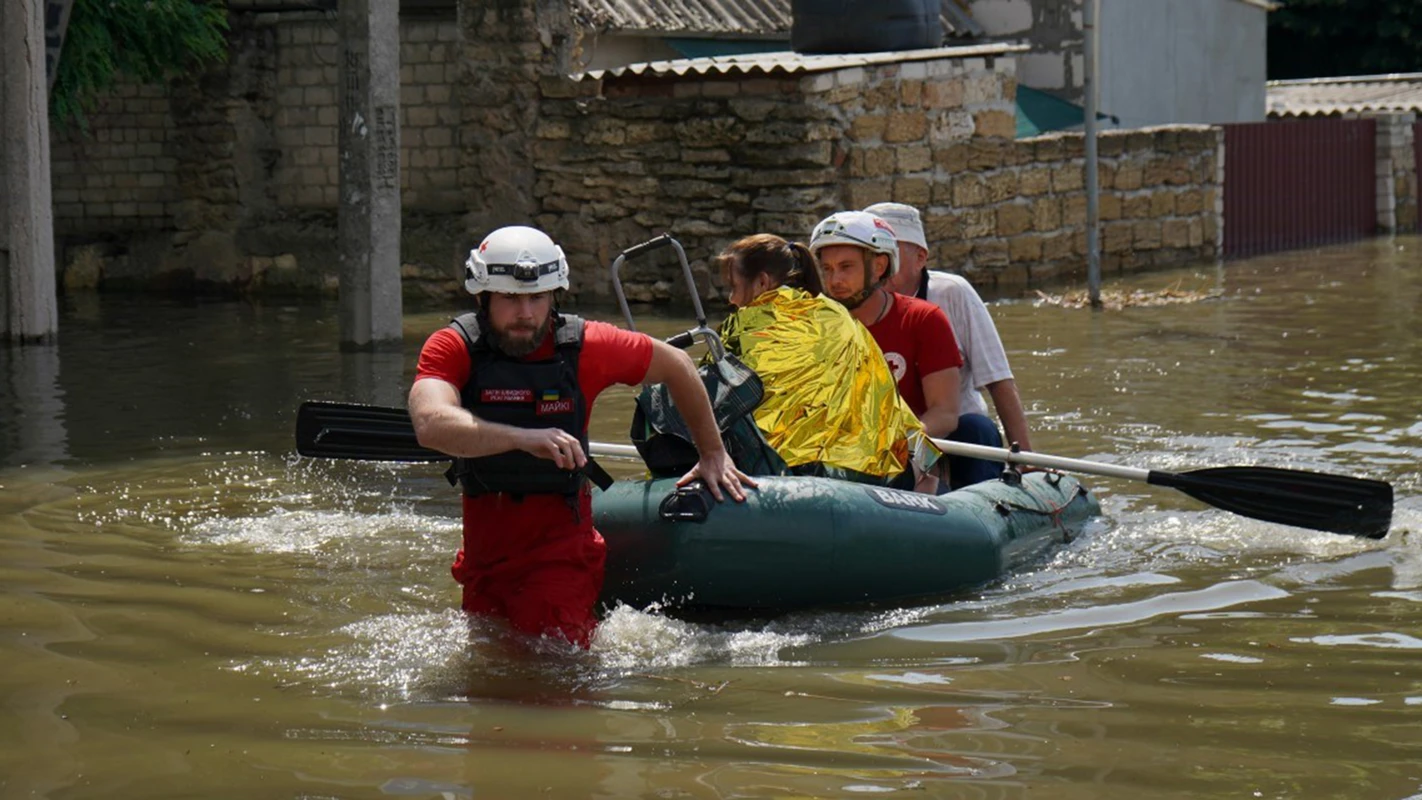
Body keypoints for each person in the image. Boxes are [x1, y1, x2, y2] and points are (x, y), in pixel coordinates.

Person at [408, 225, 755, 648]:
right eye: (511, 299)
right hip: (485, 562)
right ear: (483, 298)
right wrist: (522, 437)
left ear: (555, 296)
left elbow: (677, 365)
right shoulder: (452, 347)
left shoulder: (586, 345)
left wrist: (712, 452)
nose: (526, 313)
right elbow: (429, 421)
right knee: (489, 693)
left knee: (556, 684)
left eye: (538, 298)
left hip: (560, 556)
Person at [715, 233, 936, 488]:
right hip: (872, 476)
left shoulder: (741, 326)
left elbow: (707, 402)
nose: (731, 299)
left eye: (733, 287)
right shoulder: (838, 314)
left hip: (788, 481)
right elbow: (889, 404)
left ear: (762, 282)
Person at [865, 201, 1033, 489]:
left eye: (892, 253)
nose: (884, 265)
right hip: (886, 438)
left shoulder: (952, 293)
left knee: (977, 428)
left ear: (920, 258)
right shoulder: (854, 304)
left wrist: (1026, 457)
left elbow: (998, 380)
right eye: (875, 255)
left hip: (956, 433)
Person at [808, 211, 963, 491]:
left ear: (879, 266)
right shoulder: (816, 327)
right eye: (827, 269)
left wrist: (886, 441)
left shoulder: (924, 319)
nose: (834, 280)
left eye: (846, 267)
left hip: (913, 453)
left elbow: (945, 414)